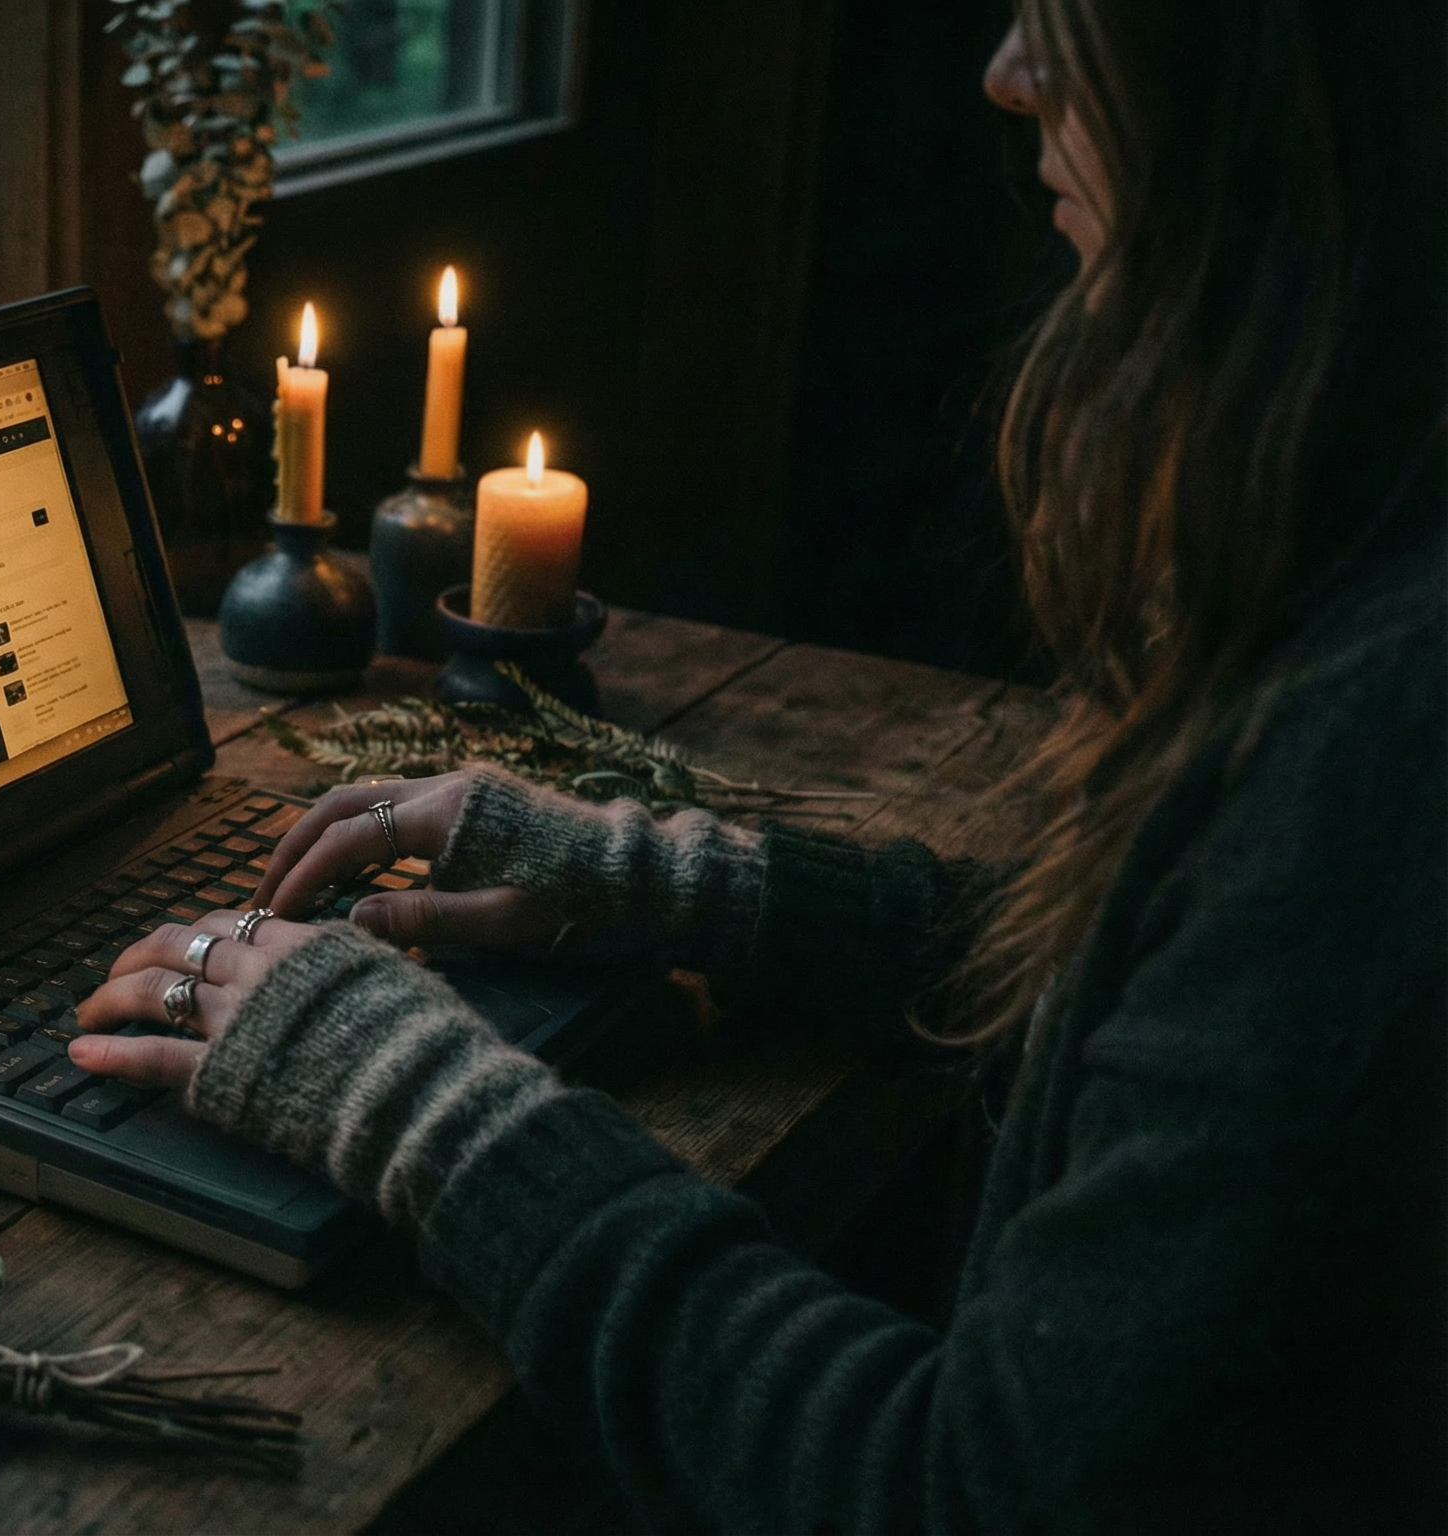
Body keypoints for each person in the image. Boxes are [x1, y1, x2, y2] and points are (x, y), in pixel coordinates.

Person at [71, 2, 1446, 1528]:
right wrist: (679, 884)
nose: (1009, 73)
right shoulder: (1375, 576)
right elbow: (1165, 986)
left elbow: (951, 1490)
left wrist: (413, 1099)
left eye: (1073, 15)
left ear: (1283, 80)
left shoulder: (1379, 752)